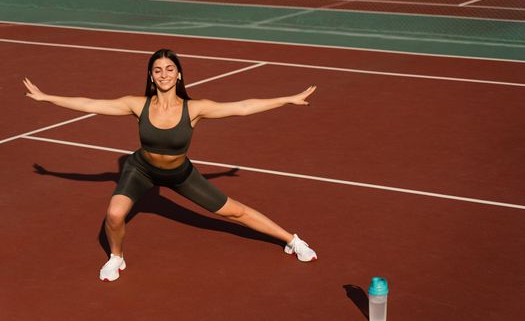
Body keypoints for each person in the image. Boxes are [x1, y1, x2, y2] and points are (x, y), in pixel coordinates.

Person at [23, 48, 318, 282]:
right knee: (114, 214)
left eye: (169, 69)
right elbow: (89, 103)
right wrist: (46, 97)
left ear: (178, 75)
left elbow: (242, 107)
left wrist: (286, 99)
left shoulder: (195, 109)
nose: (164, 74)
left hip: (180, 174)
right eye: (157, 70)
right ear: (151, 76)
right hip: (141, 170)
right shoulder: (137, 105)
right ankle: (116, 257)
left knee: (235, 211)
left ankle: (292, 240)